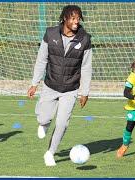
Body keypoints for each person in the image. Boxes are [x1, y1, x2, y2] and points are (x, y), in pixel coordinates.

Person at [27, 5, 92, 166]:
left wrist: (85, 92)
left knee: (62, 123)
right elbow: (41, 59)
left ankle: (50, 153)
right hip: (50, 85)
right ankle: (44, 123)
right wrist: (34, 83)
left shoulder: (85, 39)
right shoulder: (50, 34)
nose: (76, 22)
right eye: (73, 18)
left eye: (78, 18)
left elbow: (86, 67)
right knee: (44, 117)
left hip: (70, 89)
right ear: (65, 18)